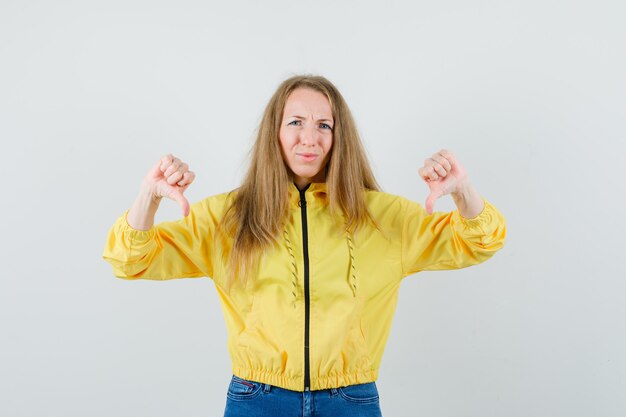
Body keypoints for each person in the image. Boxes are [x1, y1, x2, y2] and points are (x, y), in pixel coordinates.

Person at [102, 75, 506, 417]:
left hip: (351, 400)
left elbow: (478, 241)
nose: (309, 138)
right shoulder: (228, 217)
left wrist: (463, 190)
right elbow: (131, 259)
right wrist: (148, 198)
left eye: (324, 125)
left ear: (338, 136)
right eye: (295, 121)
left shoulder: (382, 218)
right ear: (274, 132)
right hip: (256, 399)